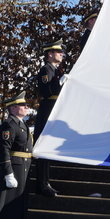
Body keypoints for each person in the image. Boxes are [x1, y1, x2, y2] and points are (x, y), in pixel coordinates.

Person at [0, 91, 32, 219]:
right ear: (13, 108)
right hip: (13, 172)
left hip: (22, 171)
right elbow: (3, 150)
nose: (26, 107)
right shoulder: (9, 125)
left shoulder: (21, 124)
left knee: (14, 211)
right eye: (22, 105)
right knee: (6, 214)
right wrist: (8, 173)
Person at [33, 38, 66, 196]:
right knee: (43, 147)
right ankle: (42, 183)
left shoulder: (56, 70)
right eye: (58, 51)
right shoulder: (46, 70)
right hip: (47, 109)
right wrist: (60, 82)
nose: (61, 54)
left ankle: (46, 182)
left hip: (54, 109)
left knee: (49, 147)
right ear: (50, 54)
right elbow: (46, 92)